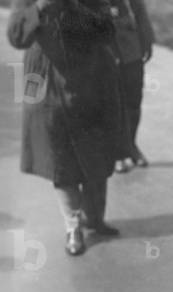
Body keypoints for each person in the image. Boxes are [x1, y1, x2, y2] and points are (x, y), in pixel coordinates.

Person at [9, 0, 123, 256]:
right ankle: (73, 226)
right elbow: (16, 36)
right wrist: (40, 7)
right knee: (60, 158)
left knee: (96, 153)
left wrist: (76, 9)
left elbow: (107, 29)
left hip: (93, 79)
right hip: (47, 82)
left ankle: (94, 218)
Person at [109, 0, 153, 173]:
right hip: (106, 51)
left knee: (134, 101)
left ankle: (131, 146)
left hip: (131, 50)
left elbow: (139, 10)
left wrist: (147, 39)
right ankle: (117, 154)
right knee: (113, 104)